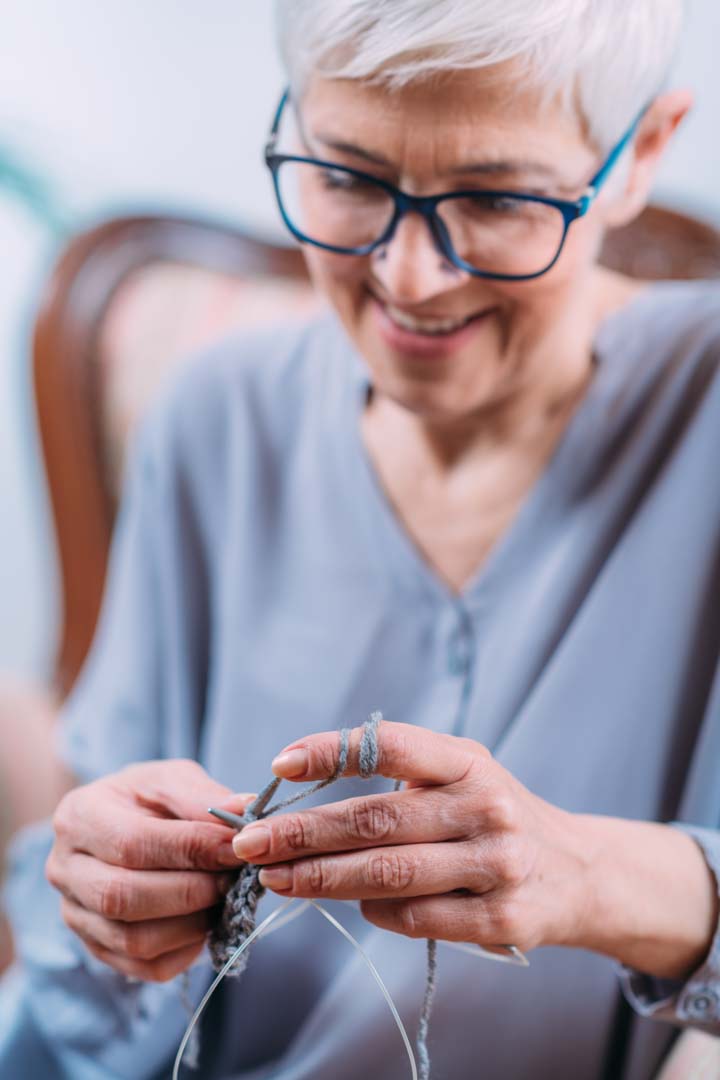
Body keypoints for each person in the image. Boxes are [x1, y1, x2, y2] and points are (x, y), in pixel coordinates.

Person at [2, 1, 719, 1077]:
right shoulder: (217, 414)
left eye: (493, 198)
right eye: (345, 177)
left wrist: (589, 877)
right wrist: (102, 906)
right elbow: (75, 995)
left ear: (638, 156)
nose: (410, 279)